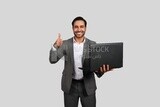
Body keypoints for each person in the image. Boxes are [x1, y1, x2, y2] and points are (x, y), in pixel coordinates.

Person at [49, 16, 113, 107]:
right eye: (76, 27)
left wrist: (101, 71)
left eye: (81, 26)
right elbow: (53, 60)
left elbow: (97, 70)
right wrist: (55, 46)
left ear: (85, 28)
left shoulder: (93, 44)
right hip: (70, 86)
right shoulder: (66, 44)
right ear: (72, 28)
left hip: (88, 86)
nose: (79, 29)